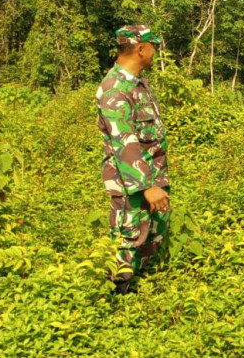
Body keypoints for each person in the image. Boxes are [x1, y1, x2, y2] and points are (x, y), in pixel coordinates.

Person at [96, 25, 171, 295]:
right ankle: (114, 303)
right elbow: (124, 142)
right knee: (126, 246)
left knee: (151, 237)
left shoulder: (137, 82)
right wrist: (146, 186)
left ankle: (141, 299)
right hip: (133, 187)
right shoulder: (115, 89)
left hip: (153, 180)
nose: (155, 53)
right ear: (141, 48)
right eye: (153, 47)